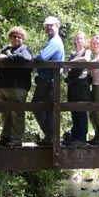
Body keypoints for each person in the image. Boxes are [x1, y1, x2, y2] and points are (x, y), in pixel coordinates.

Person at [0, 26, 32, 147]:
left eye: (19, 37)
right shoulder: (6, 49)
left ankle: (16, 140)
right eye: (14, 36)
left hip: (18, 87)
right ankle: (5, 137)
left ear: (23, 39)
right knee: (5, 113)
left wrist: (6, 58)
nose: (16, 38)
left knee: (17, 113)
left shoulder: (24, 49)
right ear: (10, 37)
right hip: (2, 87)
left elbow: (26, 58)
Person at [32, 16, 65, 146]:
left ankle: (51, 135)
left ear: (57, 26)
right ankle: (52, 136)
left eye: (51, 25)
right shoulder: (53, 40)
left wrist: (33, 59)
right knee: (48, 109)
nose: (48, 28)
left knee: (37, 106)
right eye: (47, 25)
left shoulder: (55, 41)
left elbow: (41, 57)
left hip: (48, 80)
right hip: (50, 80)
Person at [64, 31, 92, 146]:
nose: (79, 41)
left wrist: (71, 62)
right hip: (72, 85)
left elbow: (86, 59)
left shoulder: (87, 51)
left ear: (85, 41)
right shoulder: (72, 54)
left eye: (81, 39)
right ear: (74, 41)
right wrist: (68, 69)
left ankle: (81, 138)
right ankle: (74, 136)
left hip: (82, 85)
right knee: (74, 111)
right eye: (77, 39)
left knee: (81, 111)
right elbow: (68, 69)